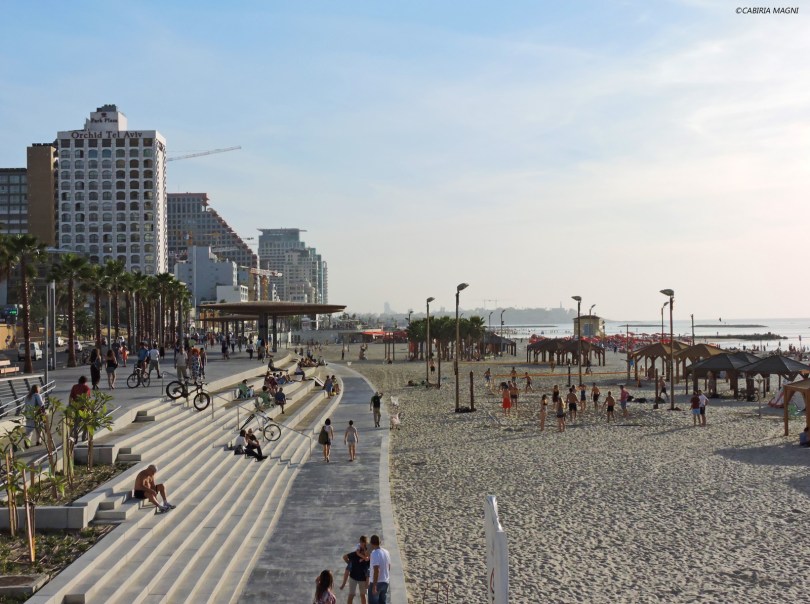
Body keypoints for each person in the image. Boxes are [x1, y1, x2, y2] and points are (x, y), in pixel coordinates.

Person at [340, 536, 370, 604]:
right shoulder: (355, 553)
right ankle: (343, 584)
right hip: (353, 577)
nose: (363, 546)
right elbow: (345, 557)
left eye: (364, 544)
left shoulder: (368, 555)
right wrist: (350, 564)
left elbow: (369, 566)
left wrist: (368, 580)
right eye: (361, 543)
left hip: (363, 579)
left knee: (362, 595)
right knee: (352, 595)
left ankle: (343, 584)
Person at [368, 534, 391, 604]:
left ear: (371, 543)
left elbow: (376, 570)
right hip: (385, 581)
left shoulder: (374, 553)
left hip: (377, 583)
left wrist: (374, 585)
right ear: (379, 542)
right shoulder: (386, 552)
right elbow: (389, 566)